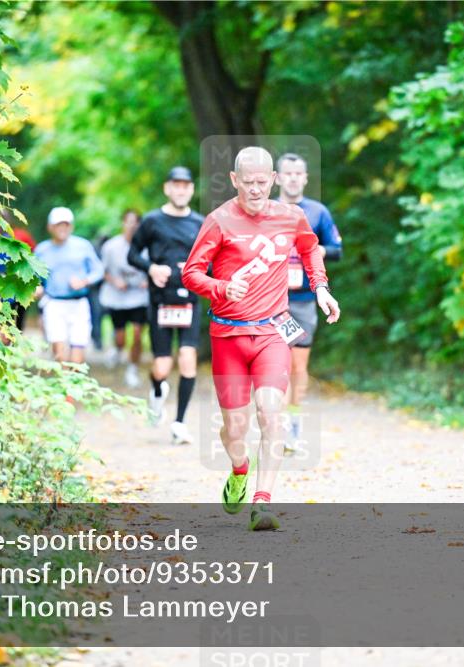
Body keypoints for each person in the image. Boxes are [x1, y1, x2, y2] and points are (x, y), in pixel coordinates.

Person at [182, 147, 341, 531]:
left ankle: (262, 503)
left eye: (261, 182)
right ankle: (239, 469)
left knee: (272, 414)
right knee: (235, 428)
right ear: (235, 180)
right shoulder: (218, 221)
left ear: (273, 180)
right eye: (247, 182)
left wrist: (320, 288)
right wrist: (221, 287)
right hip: (229, 336)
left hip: (272, 332)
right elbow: (191, 274)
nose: (255, 190)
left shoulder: (292, 217)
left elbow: (311, 251)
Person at [128, 166, 204, 445]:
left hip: (189, 299)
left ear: (192, 190)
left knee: (187, 357)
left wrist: (198, 269)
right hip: (160, 300)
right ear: (167, 188)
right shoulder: (151, 221)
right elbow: (132, 254)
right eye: (176, 185)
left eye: (186, 185)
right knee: (162, 366)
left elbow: (213, 256)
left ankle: (180, 423)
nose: (181, 190)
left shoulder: (200, 222)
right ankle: (157, 390)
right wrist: (151, 269)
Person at [275, 153, 343, 452]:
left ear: (304, 178)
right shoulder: (266, 210)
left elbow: (337, 249)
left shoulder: (317, 212)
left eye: (297, 173)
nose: (292, 178)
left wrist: (312, 252)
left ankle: (292, 425)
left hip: (302, 300)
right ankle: (273, 426)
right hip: (271, 302)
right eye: (286, 173)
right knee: (276, 362)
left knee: (298, 365)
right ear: (277, 178)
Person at [33, 206, 104, 364]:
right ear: (50, 227)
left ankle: (74, 384)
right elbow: (34, 277)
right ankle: (65, 386)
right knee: (60, 352)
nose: (63, 228)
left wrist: (84, 281)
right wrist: (37, 287)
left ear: (71, 226)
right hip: (54, 304)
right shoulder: (42, 250)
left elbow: (98, 270)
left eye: (66, 225)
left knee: (78, 352)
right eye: (59, 225)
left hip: (79, 303)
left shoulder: (83, 246)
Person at [100, 209, 149, 388]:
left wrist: (148, 280)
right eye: (128, 222)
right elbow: (102, 271)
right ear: (123, 223)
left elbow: (153, 267)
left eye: (135, 222)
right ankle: (117, 349)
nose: (132, 226)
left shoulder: (146, 247)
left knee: (137, 334)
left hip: (138, 298)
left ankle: (133, 369)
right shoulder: (111, 247)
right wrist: (115, 280)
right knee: (120, 336)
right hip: (117, 298)